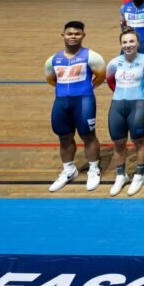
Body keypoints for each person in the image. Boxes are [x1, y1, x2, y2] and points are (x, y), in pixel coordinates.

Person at [45, 21, 106, 192]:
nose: (73, 37)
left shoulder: (92, 56)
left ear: (83, 35)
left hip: (84, 101)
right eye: (70, 34)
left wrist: (85, 89)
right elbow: (51, 79)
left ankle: (94, 169)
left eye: (77, 34)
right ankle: (69, 170)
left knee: (88, 135)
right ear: (63, 36)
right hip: (61, 101)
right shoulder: (52, 60)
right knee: (64, 137)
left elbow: (100, 76)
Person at [105, 29, 144, 197]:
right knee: (118, 141)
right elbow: (111, 82)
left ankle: (139, 174)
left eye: (131, 41)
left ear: (138, 43)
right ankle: (121, 175)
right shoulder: (114, 63)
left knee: (139, 140)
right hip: (117, 104)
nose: (128, 45)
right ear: (121, 44)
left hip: (138, 104)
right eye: (125, 42)